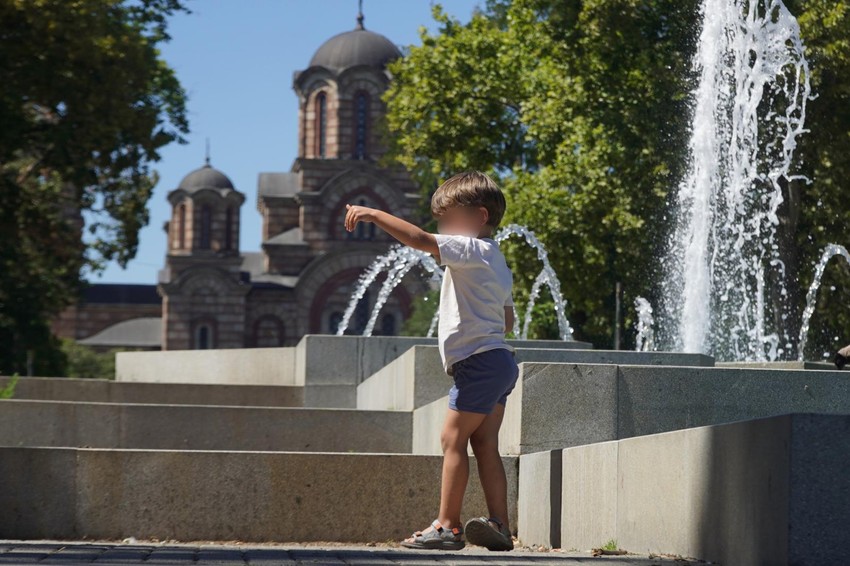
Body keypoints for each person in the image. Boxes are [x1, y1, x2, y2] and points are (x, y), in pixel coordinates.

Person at [344, 171, 518, 552]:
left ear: (480, 217)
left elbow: (419, 240)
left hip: (477, 364)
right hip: (501, 363)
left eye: (447, 220)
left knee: (452, 439)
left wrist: (373, 214)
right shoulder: (498, 261)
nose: (442, 230)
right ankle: (500, 525)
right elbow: (507, 321)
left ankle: (447, 526)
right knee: (485, 444)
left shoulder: (469, 248)